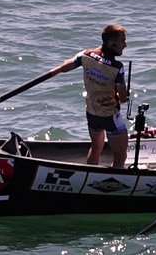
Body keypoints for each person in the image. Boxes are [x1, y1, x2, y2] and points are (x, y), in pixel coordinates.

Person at [53, 23, 130, 168]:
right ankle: (114, 179)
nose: (125, 45)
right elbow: (122, 99)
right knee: (120, 156)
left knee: (95, 148)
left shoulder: (86, 55)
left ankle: (90, 172)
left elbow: (64, 67)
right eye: (122, 41)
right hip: (110, 117)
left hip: (92, 113)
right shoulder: (117, 67)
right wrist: (125, 94)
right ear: (112, 43)